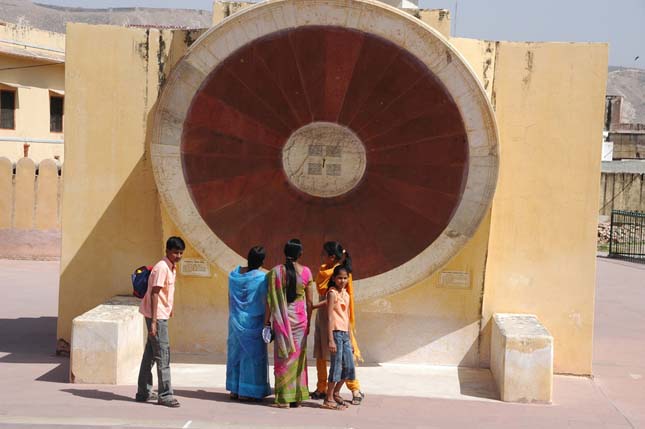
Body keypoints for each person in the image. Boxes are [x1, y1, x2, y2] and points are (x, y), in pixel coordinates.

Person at [311, 241, 364, 405]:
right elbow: (326, 296)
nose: (342, 280)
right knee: (321, 352)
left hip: (340, 320)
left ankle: (354, 388)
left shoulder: (341, 273)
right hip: (324, 317)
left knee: (344, 359)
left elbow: (347, 298)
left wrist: (348, 323)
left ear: (332, 257)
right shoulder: (325, 270)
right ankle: (322, 387)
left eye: (324, 253)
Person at [135, 236, 185, 408]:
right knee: (163, 356)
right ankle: (165, 394)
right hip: (157, 317)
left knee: (150, 355)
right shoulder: (162, 268)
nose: (178, 255)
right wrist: (155, 322)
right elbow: (155, 294)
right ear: (167, 251)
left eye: (180, 253)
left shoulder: (171, 267)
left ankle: (143, 391)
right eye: (175, 252)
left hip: (160, 316)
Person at [265, 239, 314, 408]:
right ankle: (297, 398)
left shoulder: (274, 273)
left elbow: (270, 301)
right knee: (297, 358)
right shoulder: (306, 272)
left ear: (284, 252)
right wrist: (309, 323)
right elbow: (309, 302)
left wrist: (267, 323)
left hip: (281, 320)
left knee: (283, 358)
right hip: (300, 320)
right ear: (300, 254)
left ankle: (284, 399)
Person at [226, 246, 271, 401]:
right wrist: (267, 322)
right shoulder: (261, 278)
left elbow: (230, 298)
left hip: (235, 319)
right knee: (252, 357)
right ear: (262, 261)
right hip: (254, 322)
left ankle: (234, 390)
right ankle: (249, 391)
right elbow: (266, 301)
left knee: (236, 355)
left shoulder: (234, 275)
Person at [322, 265, 356, 410]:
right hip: (335, 333)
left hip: (345, 334)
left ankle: (336, 392)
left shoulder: (347, 295)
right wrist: (330, 339)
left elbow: (347, 317)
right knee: (336, 366)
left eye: (345, 278)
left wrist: (351, 339)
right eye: (340, 278)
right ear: (334, 279)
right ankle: (328, 398)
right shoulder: (332, 293)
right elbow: (329, 317)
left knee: (349, 367)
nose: (342, 281)